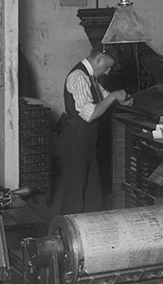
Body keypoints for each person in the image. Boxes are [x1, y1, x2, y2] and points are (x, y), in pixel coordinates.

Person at [56, 47, 132, 215]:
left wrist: (119, 100)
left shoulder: (92, 78)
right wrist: (113, 97)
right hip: (75, 143)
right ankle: (65, 236)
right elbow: (89, 114)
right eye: (107, 66)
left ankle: (88, 235)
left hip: (86, 142)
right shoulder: (78, 77)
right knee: (74, 196)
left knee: (93, 195)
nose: (108, 71)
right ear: (98, 60)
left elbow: (103, 97)